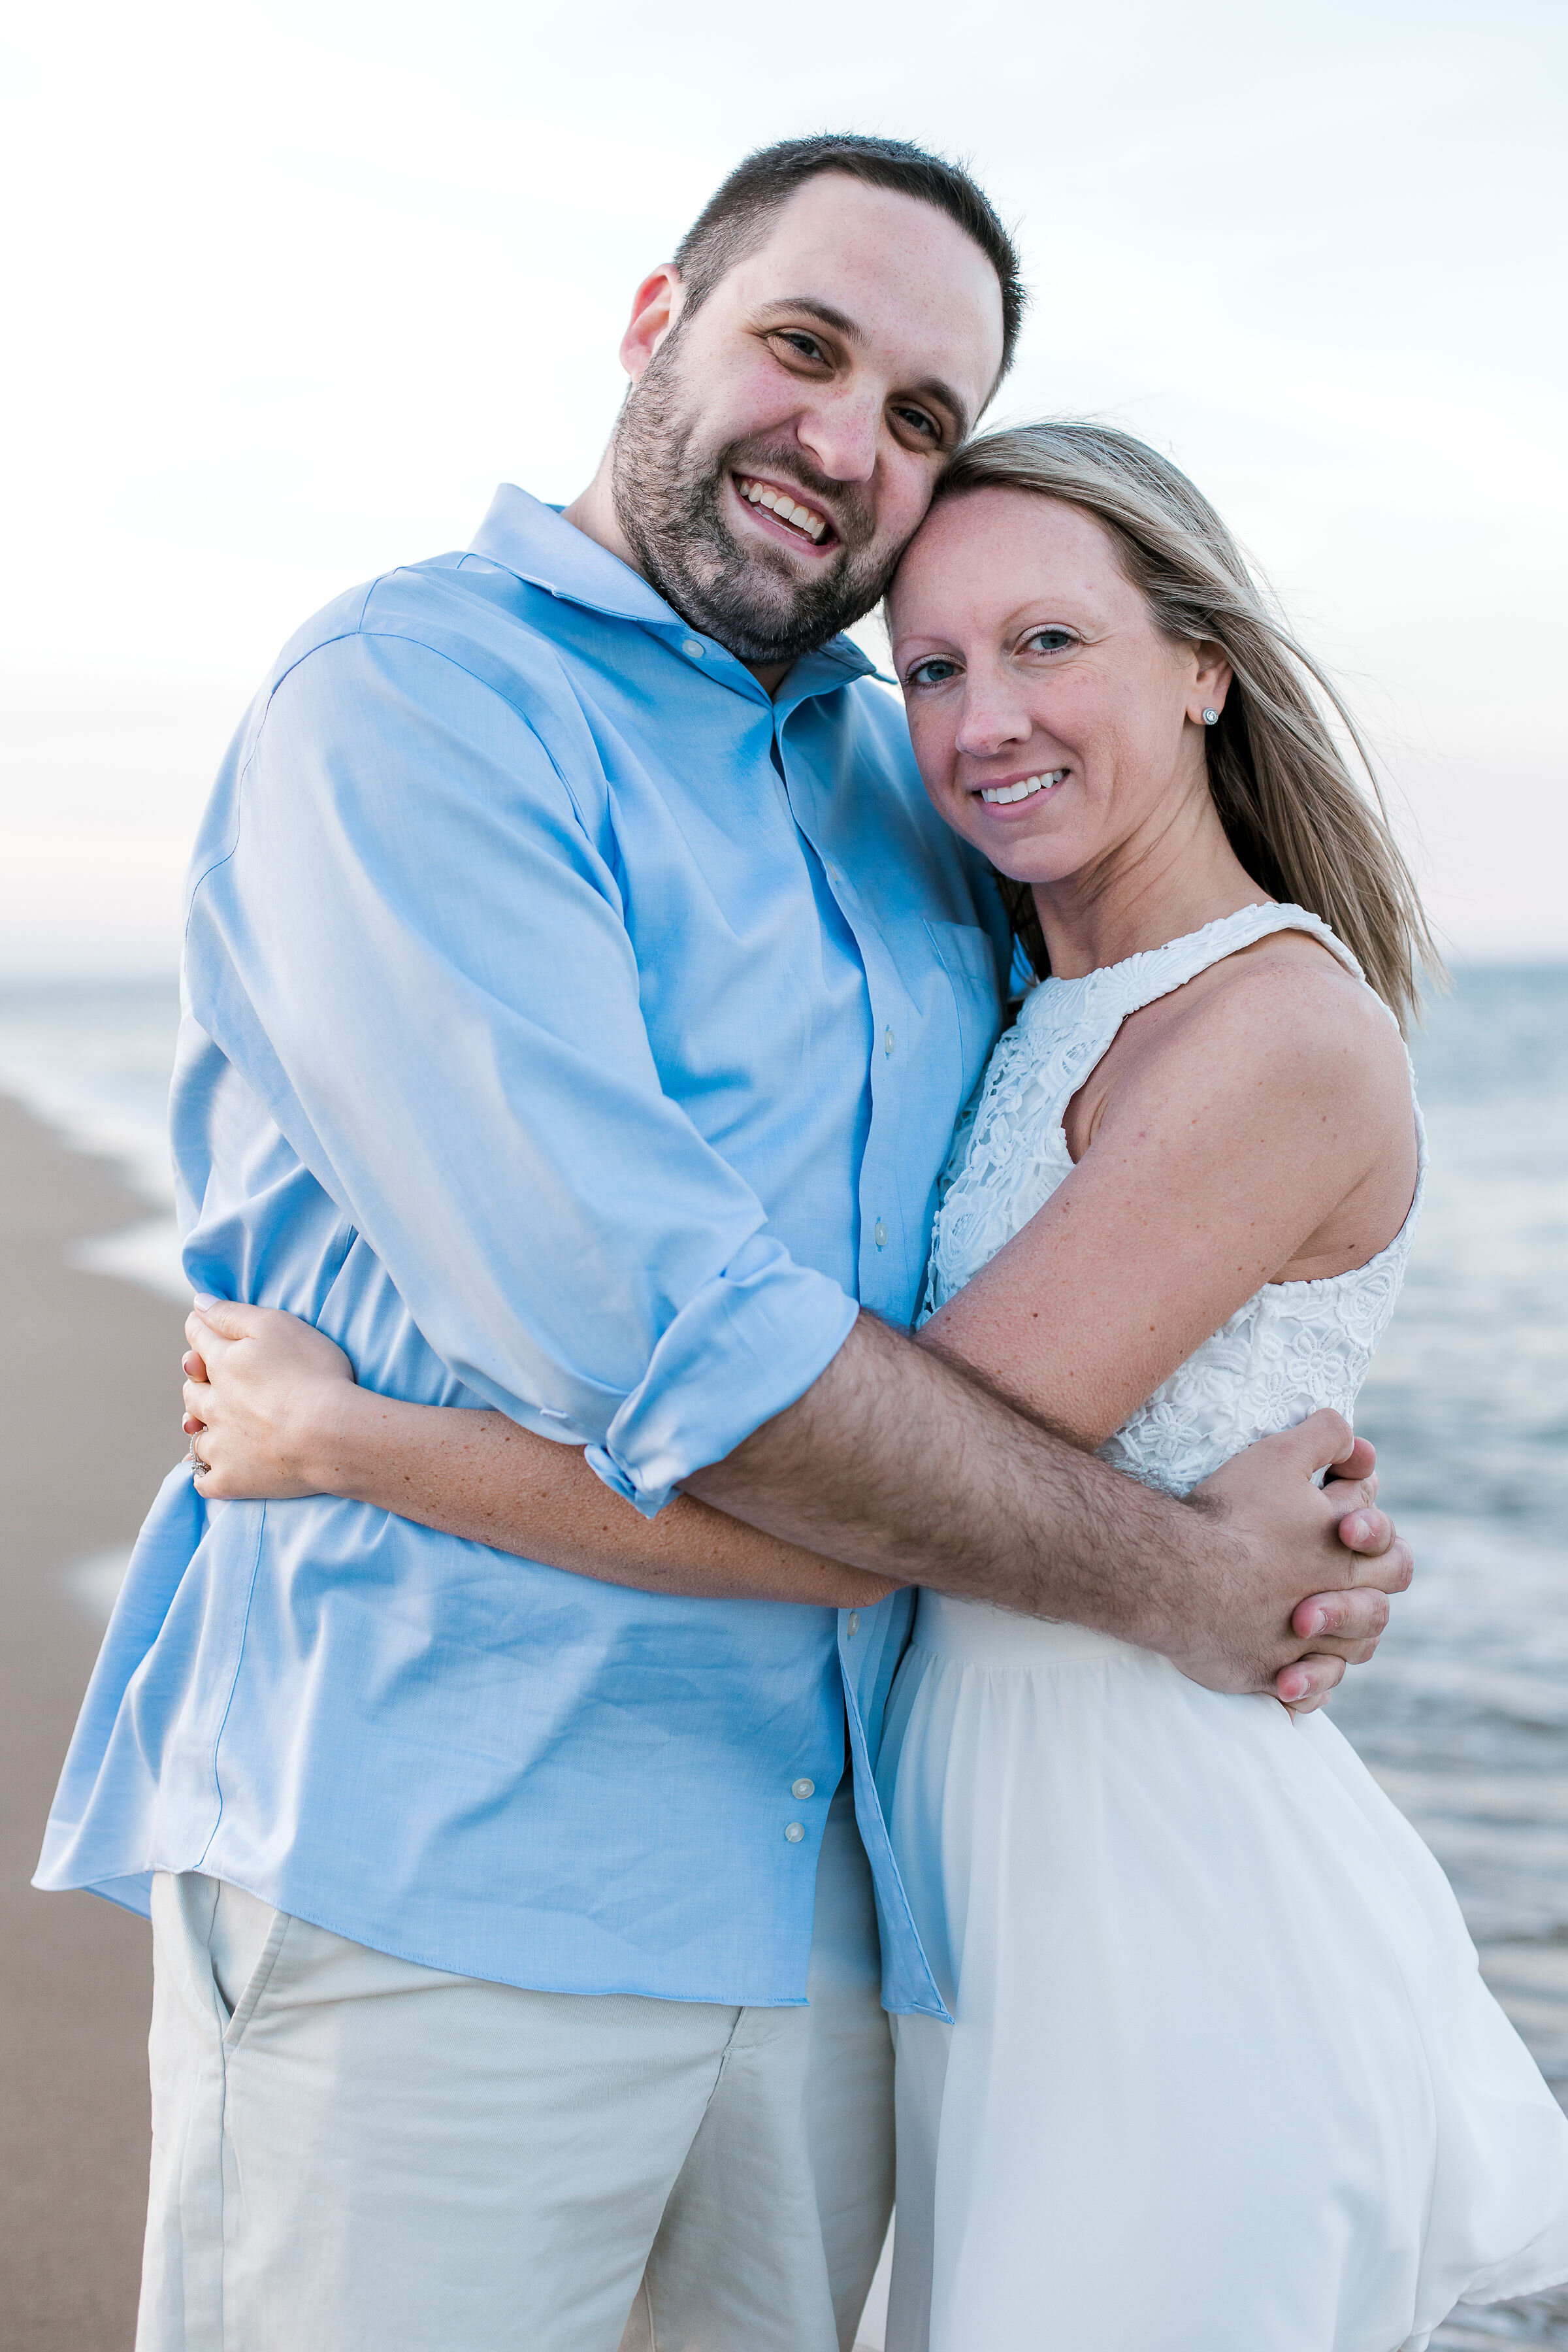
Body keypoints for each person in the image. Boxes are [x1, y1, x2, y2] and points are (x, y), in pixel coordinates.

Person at [37, 138, 1411, 2352]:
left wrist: (1263, 1430)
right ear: (658, 320)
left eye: (920, 416)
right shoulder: (417, 704)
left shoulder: (905, 785)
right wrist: (1169, 1568)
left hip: (852, 1927)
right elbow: (683, 1339)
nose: (845, 444)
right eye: (806, 344)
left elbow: (1089, 1231)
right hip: (446, 1883)